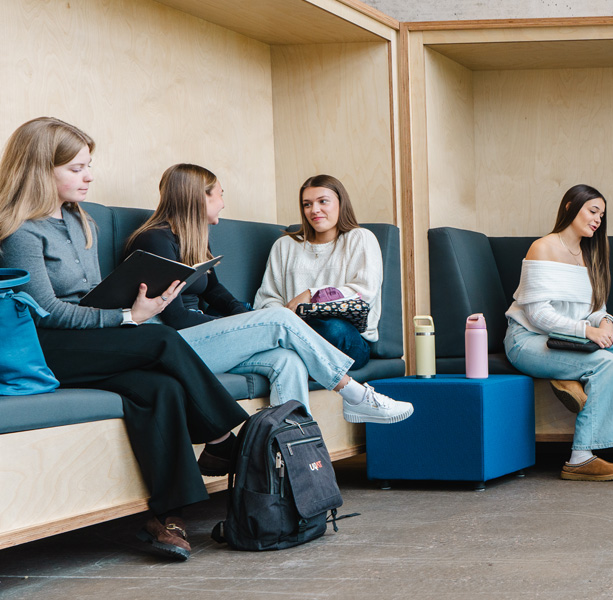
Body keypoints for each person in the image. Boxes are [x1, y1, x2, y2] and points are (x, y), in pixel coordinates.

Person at [0, 117, 246, 561]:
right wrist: (128, 317)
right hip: (46, 347)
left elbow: (89, 296)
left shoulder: (80, 221)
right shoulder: (21, 229)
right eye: (76, 168)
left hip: (88, 342)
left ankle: (168, 516)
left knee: (161, 388)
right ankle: (227, 440)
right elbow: (46, 311)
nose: (88, 176)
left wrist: (134, 306)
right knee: (162, 340)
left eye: (88, 166)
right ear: (40, 169)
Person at [124, 164, 413, 428]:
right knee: (279, 318)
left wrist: (247, 317)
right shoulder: (154, 240)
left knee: (288, 361)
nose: (223, 203)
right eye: (220, 195)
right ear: (200, 198)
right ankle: (356, 395)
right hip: (175, 344)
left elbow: (214, 291)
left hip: (200, 340)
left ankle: (292, 450)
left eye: (323, 201)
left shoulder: (190, 238)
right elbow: (174, 318)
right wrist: (249, 323)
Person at [503, 184, 613, 481]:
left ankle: (569, 374)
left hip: (571, 340)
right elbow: (538, 314)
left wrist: (605, 322)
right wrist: (587, 331)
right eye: (593, 211)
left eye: (602, 215)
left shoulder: (589, 254)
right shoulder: (543, 247)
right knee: (606, 362)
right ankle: (580, 458)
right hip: (530, 339)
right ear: (570, 207)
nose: (597, 220)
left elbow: (596, 308)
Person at [254, 175, 382, 369]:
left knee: (333, 329)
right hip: (293, 332)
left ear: (341, 203)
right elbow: (267, 298)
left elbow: (364, 294)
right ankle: (299, 358)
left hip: (346, 339)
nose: (314, 210)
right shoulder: (284, 245)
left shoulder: (360, 238)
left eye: (323, 201)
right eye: (307, 204)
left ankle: (296, 356)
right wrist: (288, 322)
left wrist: (312, 295)